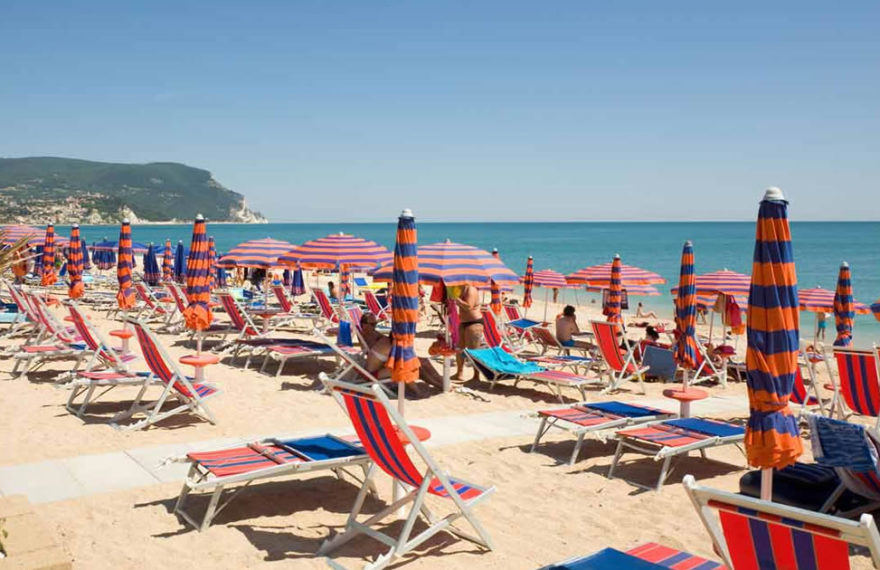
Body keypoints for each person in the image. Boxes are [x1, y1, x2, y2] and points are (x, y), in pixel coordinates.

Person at [359, 313, 444, 394]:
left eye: (375, 323)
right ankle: (425, 389)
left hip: (383, 365)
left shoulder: (378, 336)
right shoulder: (369, 337)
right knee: (408, 367)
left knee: (421, 362)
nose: (374, 326)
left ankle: (440, 382)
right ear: (364, 325)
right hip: (373, 374)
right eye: (372, 324)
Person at [452, 282, 483, 382]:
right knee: (459, 348)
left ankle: (476, 376)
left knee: (473, 351)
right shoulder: (458, 288)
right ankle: (459, 373)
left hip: (474, 322)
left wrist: (456, 299)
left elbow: (468, 306)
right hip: (464, 322)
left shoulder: (470, 289)